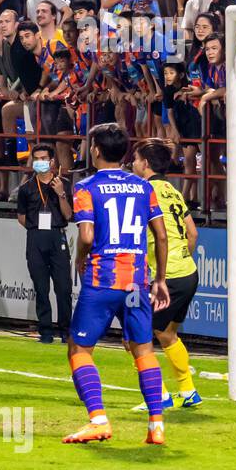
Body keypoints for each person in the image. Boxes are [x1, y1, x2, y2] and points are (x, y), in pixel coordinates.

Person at [64, 123, 171, 446]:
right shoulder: (143, 187)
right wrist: (161, 279)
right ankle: (156, 425)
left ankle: (98, 420)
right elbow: (161, 235)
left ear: (95, 149)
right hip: (137, 281)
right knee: (143, 350)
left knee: (79, 348)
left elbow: (86, 236)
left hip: (102, 279)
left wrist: (79, 259)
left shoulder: (86, 187)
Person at [132, 140, 203, 412]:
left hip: (167, 277)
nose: (134, 164)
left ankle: (158, 396)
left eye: (136, 160)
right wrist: (182, 259)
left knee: (135, 336)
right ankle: (188, 391)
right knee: (167, 333)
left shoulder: (143, 191)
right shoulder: (173, 190)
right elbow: (192, 234)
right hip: (188, 273)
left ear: (146, 164)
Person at [15, 144, 72, 344]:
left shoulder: (63, 184)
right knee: (41, 287)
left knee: (63, 288)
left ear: (52, 161)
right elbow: (21, 217)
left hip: (57, 236)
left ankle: (66, 330)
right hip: (36, 237)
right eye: (36, 158)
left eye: (44, 158)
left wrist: (60, 194)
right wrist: (35, 230)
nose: (40, 162)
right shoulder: (26, 188)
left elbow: (68, 214)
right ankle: (46, 331)